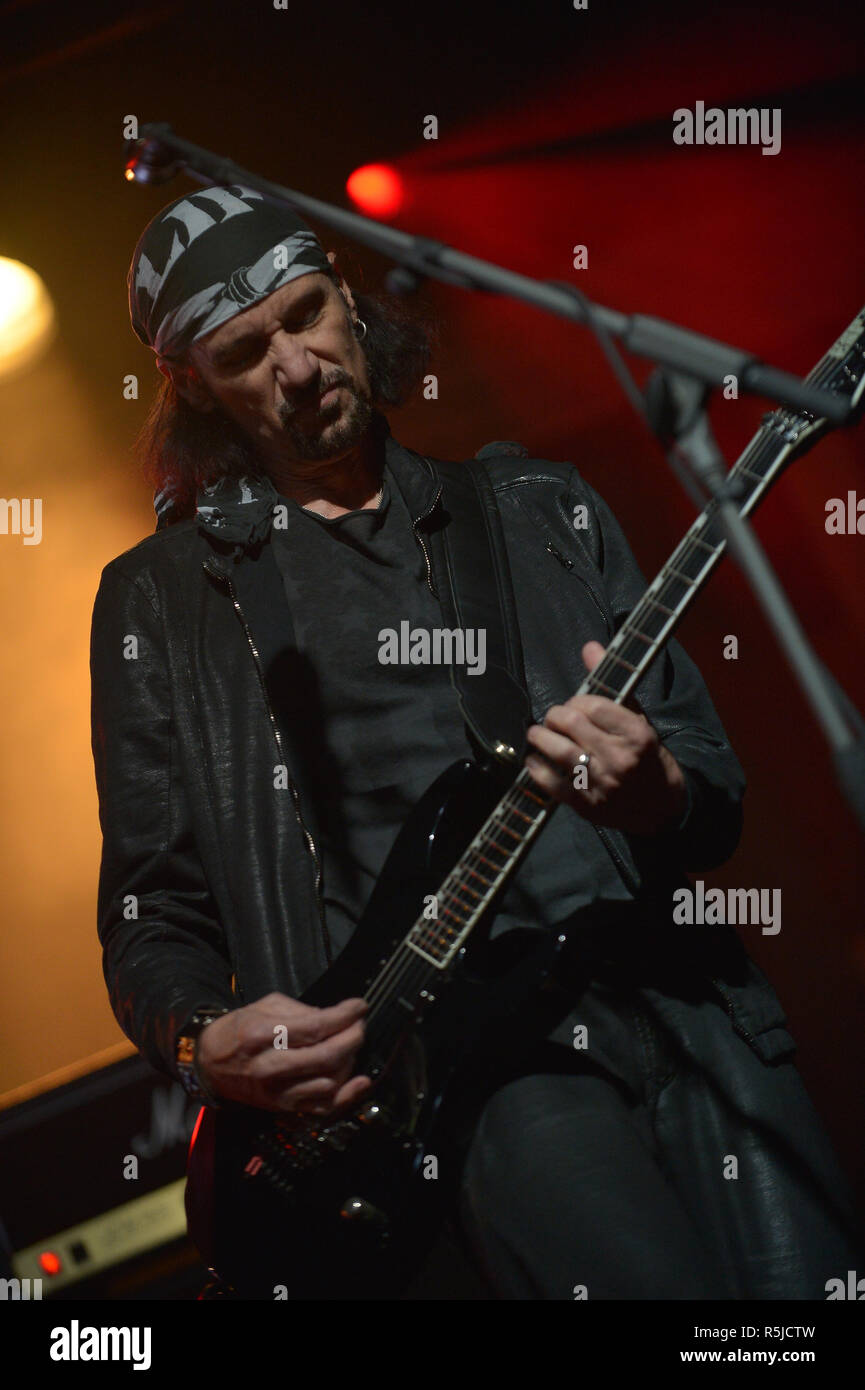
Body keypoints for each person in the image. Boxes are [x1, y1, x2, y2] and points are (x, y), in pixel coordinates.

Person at [91, 182, 863, 1300]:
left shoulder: (537, 503)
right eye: (246, 351)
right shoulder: (165, 603)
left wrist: (653, 788)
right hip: (481, 1079)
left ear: (351, 302)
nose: (297, 366)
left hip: (692, 1016)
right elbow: (151, 912)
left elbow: (716, 794)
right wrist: (197, 1042)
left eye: (306, 314)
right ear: (194, 385)